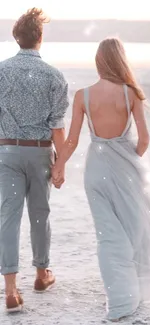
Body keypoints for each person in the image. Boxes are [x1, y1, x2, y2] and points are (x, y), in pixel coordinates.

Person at [53, 37, 150, 321]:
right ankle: (130, 294)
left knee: (107, 235)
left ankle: (119, 298)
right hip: (126, 170)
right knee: (134, 228)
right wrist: (129, 158)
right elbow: (145, 140)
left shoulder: (83, 95)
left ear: (99, 62)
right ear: (120, 61)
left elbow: (72, 141)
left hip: (96, 169)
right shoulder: (130, 93)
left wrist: (58, 167)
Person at [0, 8, 68, 312]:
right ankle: (42, 275)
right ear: (40, 38)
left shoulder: (1, 71)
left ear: (17, 37)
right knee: (40, 215)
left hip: (7, 152)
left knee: (8, 217)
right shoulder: (54, 75)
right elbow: (57, 127)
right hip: (40, 152)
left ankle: (11, 291)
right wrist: (60, 164)